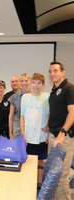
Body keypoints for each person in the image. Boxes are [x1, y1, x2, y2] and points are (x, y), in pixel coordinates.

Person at [48, 61, 74, 200]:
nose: (52, 73)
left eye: (55, 71)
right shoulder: (54, 91)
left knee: (62, 174)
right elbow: (56, 113)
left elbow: (72, 113)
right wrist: (49, 127)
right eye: (50, 71)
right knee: (53, 174)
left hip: (64, 137)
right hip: (53, 136)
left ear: (63, 73)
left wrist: (62, 133)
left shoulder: (69, 88)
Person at [20, 73, 49, 184]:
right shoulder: (25, 97)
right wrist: (23, 132)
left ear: (43, 85)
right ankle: (29, 184)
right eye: (34, 82)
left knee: (40, 162)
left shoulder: (47, 97)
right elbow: (22, 116)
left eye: (39, 83)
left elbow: (50, 114)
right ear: (30, 83)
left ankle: (39, 185)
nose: (36, 85)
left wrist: (49, 128)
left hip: (41, 136)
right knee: (28, 162)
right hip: (28, 136)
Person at [8, 73, 31, 139]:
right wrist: (10, 133)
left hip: (30, 125)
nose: (24, 83)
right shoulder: (14, 97)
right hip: (17, 126)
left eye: (26, 81)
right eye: (22, 81)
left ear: (30, 81)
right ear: (20, 83)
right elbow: (11, 116)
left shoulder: (34, 96)